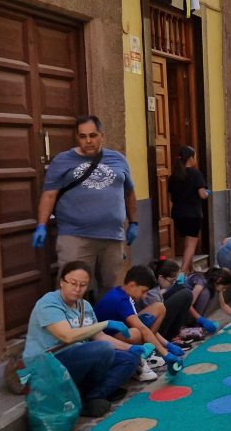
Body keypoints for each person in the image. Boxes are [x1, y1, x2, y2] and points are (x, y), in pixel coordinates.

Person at [31, 115, 139, 295]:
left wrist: (134, 222)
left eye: (93, 135)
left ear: (102, 135)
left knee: (110, 288)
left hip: (112, 237)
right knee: (72, 289)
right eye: (83, 136)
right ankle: (69, 323)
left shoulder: (118, 159)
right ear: (77, 137)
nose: (88, 141)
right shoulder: (63, 160)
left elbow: (129, 192)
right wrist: (41, 225)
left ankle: (103, 322)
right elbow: (49, 195)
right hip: (76, 235)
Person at [24, 261, 140, 418]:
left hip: (78, 356)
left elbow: (100, 336)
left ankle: (92, 397)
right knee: (102, 350)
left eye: (83, 285)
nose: (77, 289)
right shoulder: (48, 303)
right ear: (61, 282)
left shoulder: (84, 305)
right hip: (48, 363)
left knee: (130, 359)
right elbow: (67, 336)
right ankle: (88, 393)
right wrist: (104, 324)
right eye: (73, 283)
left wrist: (130, 348)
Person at [94, 265, 184, 381]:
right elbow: (142, 329)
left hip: (119, 334)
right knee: (135, 332)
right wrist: (166, 354)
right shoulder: (120, 300)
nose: (145, 295)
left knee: (159, 307)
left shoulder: (123, 294)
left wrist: (167, 345)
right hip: (106, 340)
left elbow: (143, 327)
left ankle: (147, 351)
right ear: (132, 285)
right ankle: (138, 362)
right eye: (144, 291)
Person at [144, 258, 211, 343]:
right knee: (186, 294)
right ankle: (170, 337)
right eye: (171, 281)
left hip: (158, 324)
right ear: (161, 277)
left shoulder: (158, 288)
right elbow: (155, 319)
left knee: (180, 288)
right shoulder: (152, 294)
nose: (172, 283)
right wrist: (166, 345)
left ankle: (174, 334)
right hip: (155, 330)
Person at [168, 146, 211, 274]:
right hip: (193, 214)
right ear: (191, 158)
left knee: (186, 246)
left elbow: (170, 197)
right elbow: (202, 195)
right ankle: (182, 274)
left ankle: (191, 270)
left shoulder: (173, 177)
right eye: (195, 156)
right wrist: (208, 193)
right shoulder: (195, 174)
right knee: (191, 246)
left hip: (178, 214)